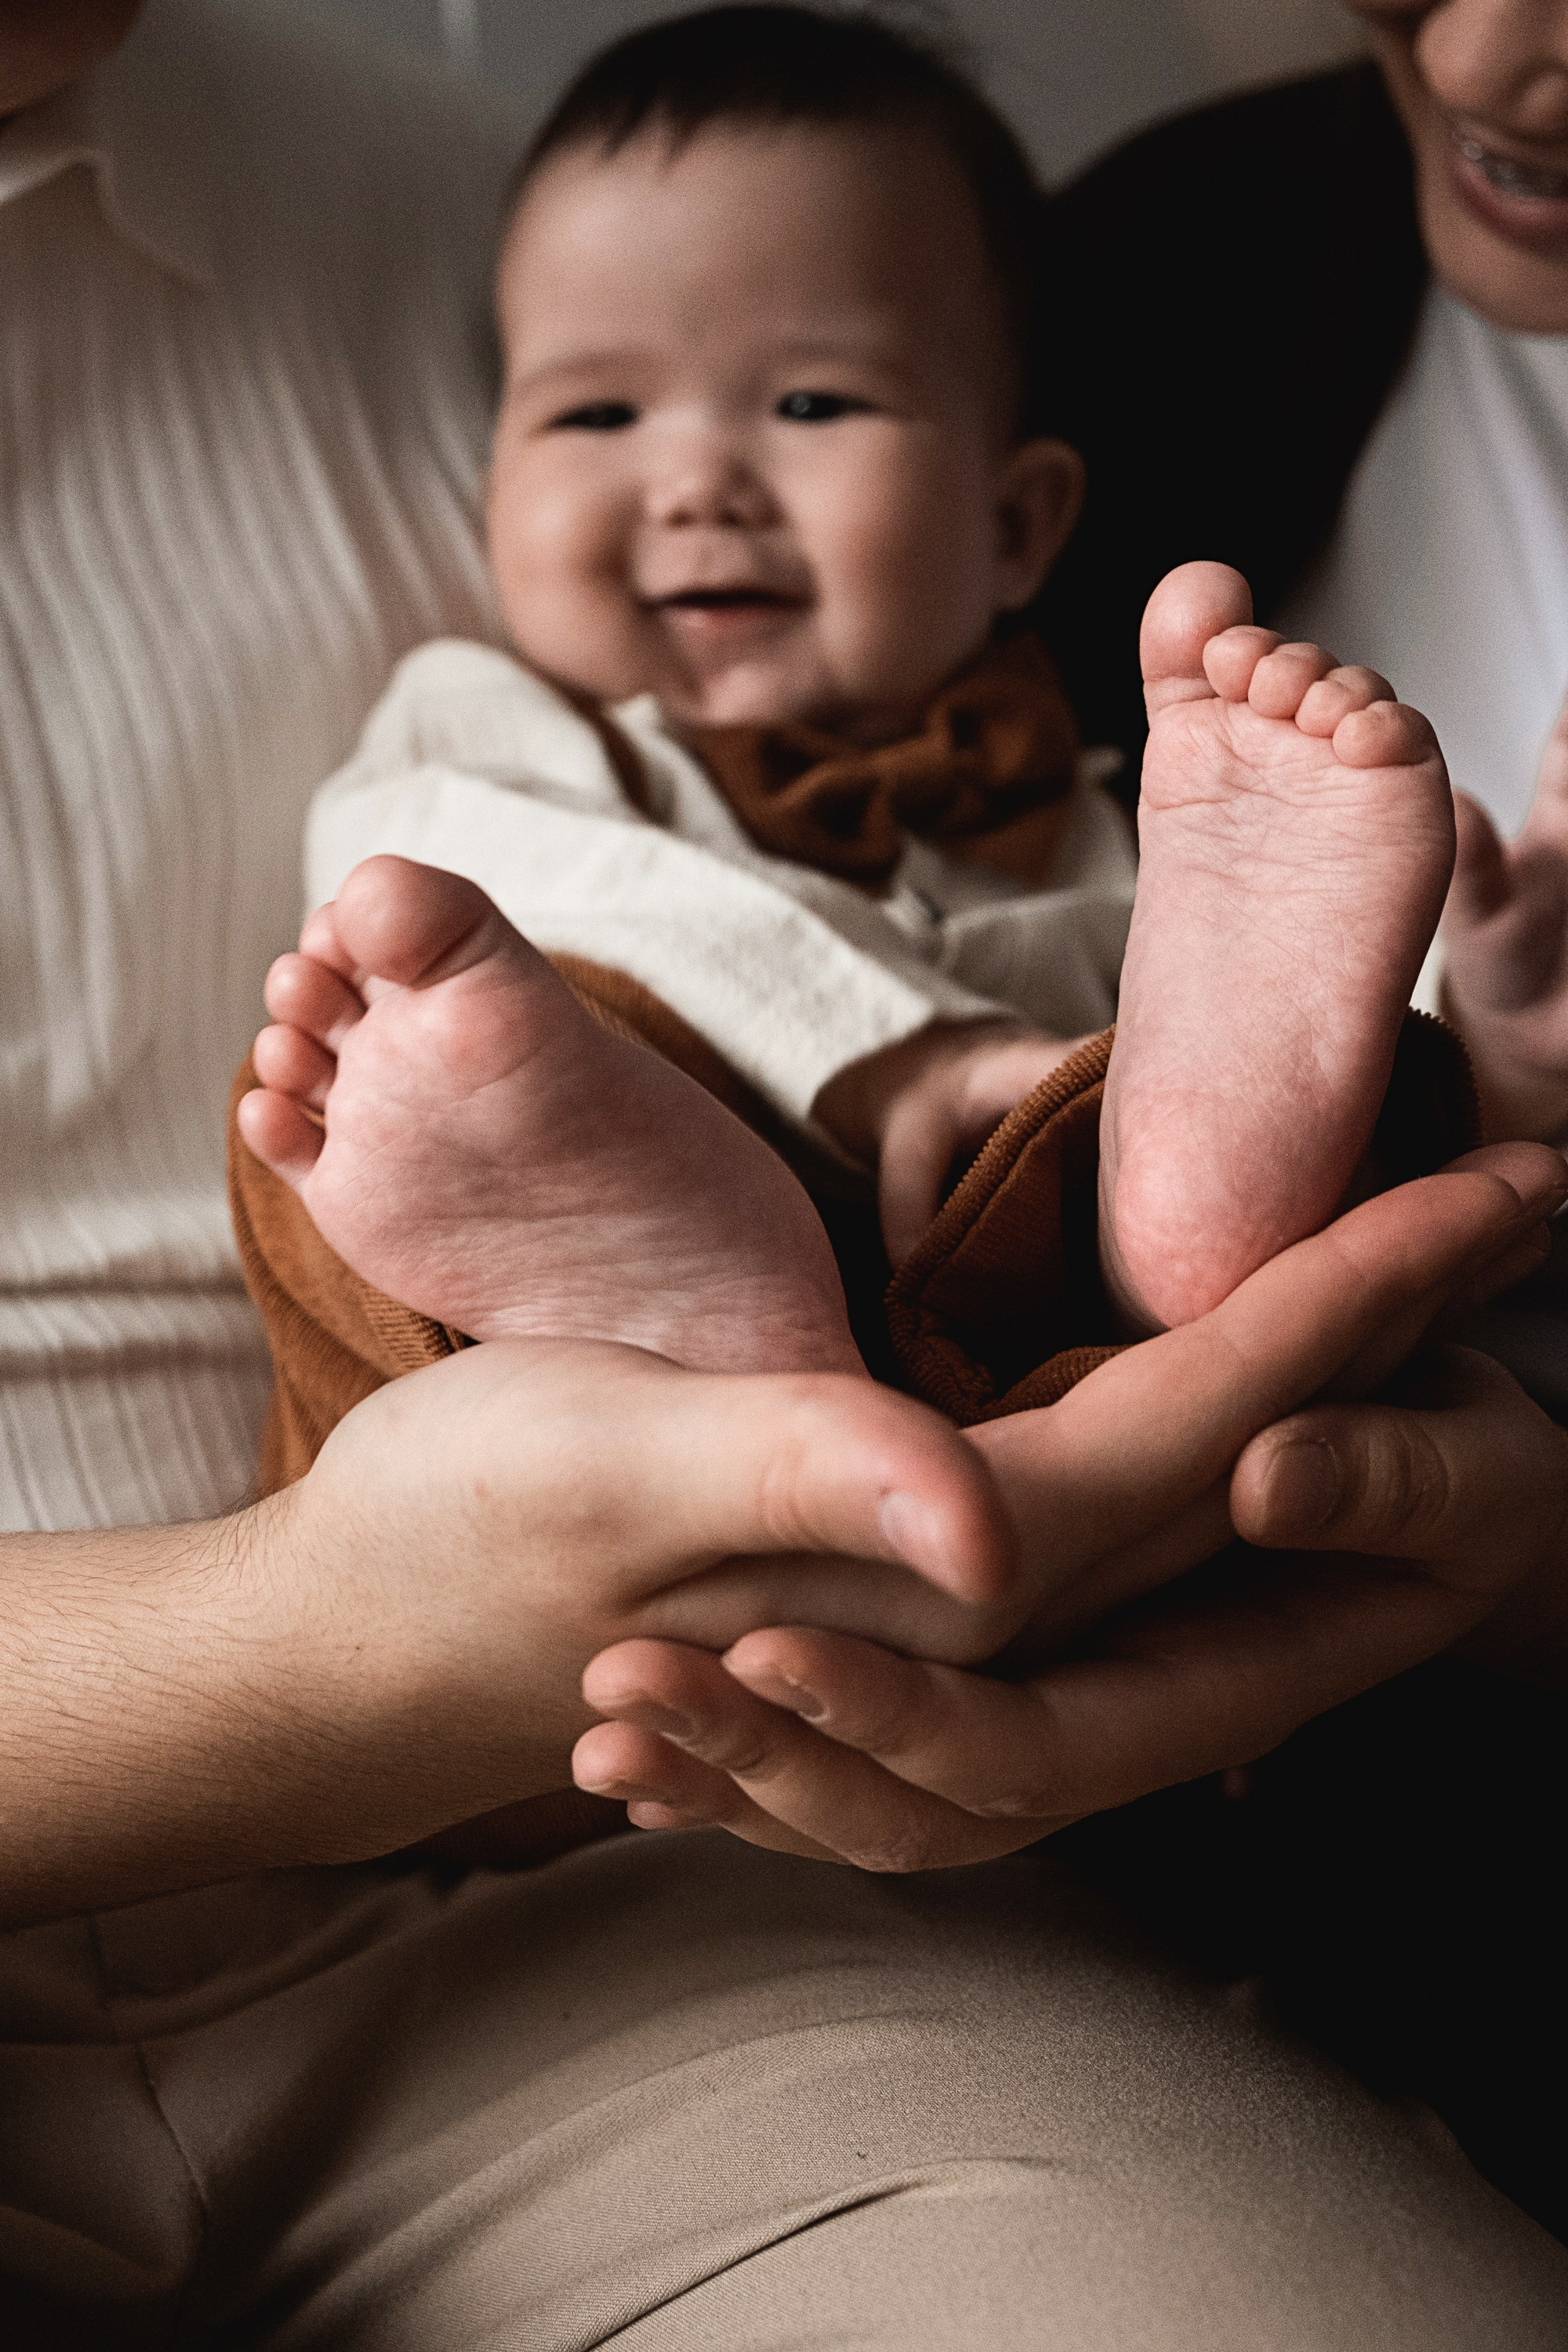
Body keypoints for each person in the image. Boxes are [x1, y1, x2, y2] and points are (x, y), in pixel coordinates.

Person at [6, 2, 1568, 2342]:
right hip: (479, 1411)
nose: (705, 478)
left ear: (1028, 511)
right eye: (600, 416)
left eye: (813, 410)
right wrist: (908, 1059)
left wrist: (1489, 1077)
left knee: (1273, 1107)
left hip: (788, 1746)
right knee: (452, 1035)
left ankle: (1159, 1195)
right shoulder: (500, 727)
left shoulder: (469, 187)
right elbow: (427, 870)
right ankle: (708, 1284)